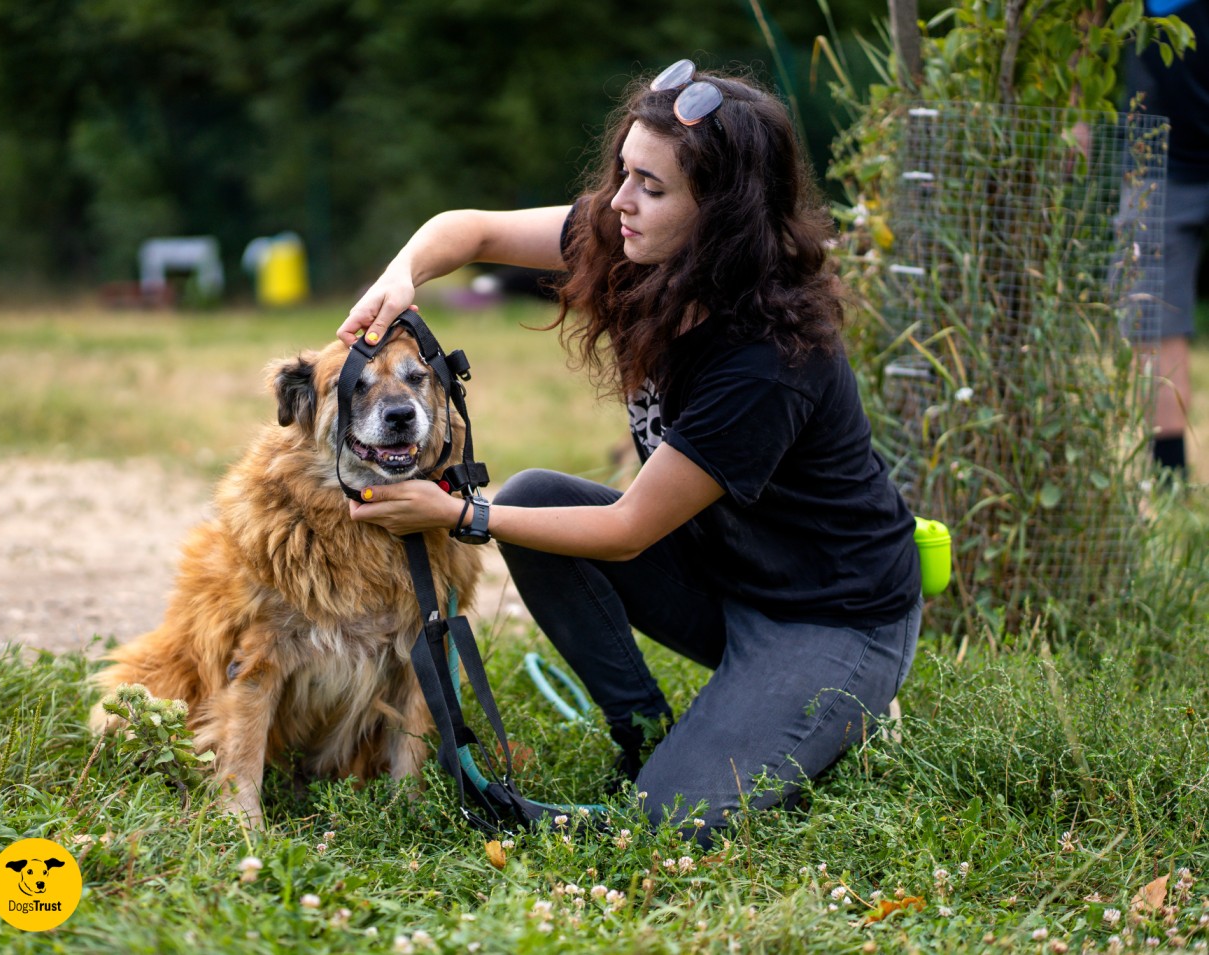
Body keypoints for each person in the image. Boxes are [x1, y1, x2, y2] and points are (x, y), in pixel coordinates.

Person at [338, 60, 922, 841]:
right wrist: (398, 276)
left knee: (668, 818)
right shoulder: (633, 242)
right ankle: (642, 728)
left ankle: (848, 700)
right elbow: (468, 230)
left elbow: (627, 530)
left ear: (721, 212)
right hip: (727, 577)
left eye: (650, 185)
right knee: (535, 499)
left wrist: (455, 512)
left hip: (832, 615)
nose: (618, 201)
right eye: (622, 173)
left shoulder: (767, 358)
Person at [1127, 0, 1208, 480]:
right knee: (1153, 319)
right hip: (1160, 154)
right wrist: (1074, 110)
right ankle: (1170, 480)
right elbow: (1085, 15)